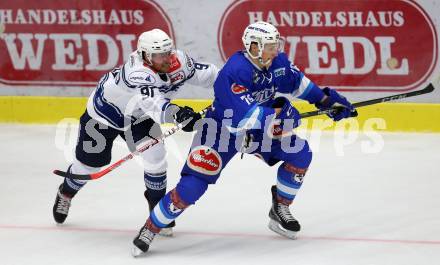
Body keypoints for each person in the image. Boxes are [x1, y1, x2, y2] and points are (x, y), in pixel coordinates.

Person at [131, 21, 357, 256]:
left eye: (276, 45)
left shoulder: (277, 62)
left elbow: (299, 83)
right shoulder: (234, 71)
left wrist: (325, 101)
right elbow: (246, 118)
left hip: (259, 132)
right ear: (254, 46)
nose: (275, 50)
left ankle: (280, 207)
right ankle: (150, 228)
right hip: (220, 133)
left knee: (300, 153)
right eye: (270, 46)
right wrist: (282, 114)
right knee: (190, 189)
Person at [52, 29, 218, 236]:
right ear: (145, 56)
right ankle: (66, 192)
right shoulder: (137, 73)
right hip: (104, 115)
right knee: (88, 166)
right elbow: (154, 104)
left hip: (139, 117)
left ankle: (157, 211)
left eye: (168, 52)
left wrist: (236, 87)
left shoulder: (180, 62)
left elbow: (211, 75)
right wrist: (178, 115)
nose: (166, 59)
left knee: (156, 158)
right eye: (159, 55)